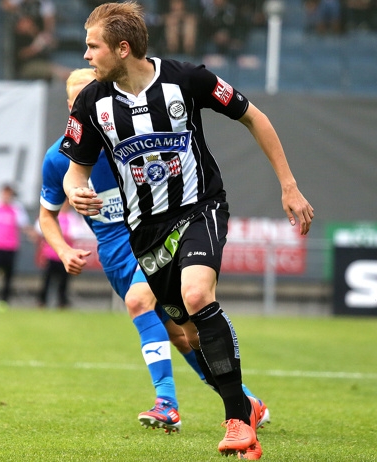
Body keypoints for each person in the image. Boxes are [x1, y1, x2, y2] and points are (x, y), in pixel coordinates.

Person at [61, 3, 313, 458]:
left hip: (200, 208)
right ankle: (247, 408)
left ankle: (237, 421)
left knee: (198, 297)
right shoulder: (91, 103)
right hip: (145, 231)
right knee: (185, 331)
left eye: (92, 45)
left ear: (122, 48)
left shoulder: (186, 79)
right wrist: (76, 190)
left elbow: (255, 117)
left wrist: (289, 186)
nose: (85, 55)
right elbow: (73, 171)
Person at [41, 68, 270, 435]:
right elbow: (46, 215)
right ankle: (245, 402)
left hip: (153, 236)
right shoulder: (58, 158)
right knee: (181, 336)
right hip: (115, 254)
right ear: (73, 106)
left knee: (139, 301)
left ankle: (167, 403)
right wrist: (63, 248)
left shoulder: (132, 135)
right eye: (77, 97)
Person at [0, 183, 35, 312]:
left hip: (11, 246)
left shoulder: (17, 208)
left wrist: (32, 234)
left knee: (9, 276)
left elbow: (24, 224)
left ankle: (4, 301)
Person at [36, 202, 76, 309]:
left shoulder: (72, 218)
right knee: (47, 280)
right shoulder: (50, 215)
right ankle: (42, 301)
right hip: (51, 254)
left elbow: (76, 233)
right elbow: (40, 229)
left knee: (64, 281)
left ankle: (62, 302)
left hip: (65, 256)